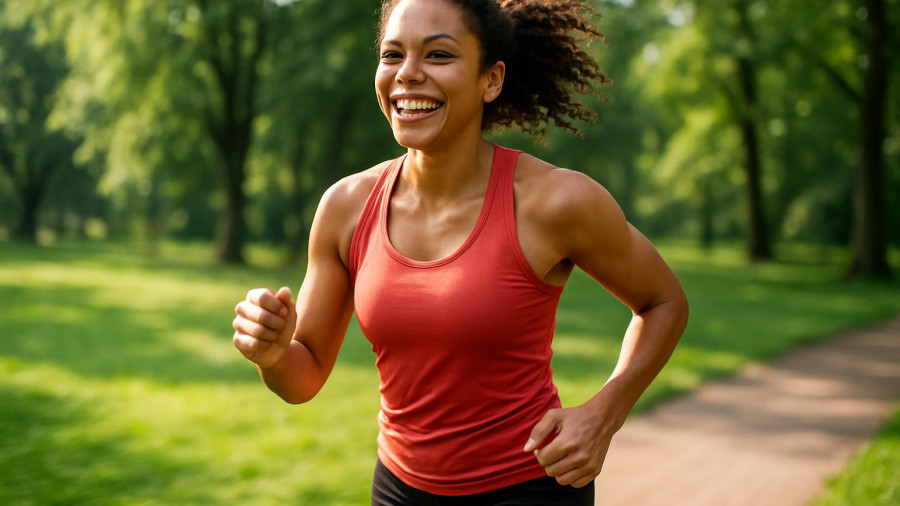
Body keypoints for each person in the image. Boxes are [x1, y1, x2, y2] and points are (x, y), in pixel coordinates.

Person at [232, 0, 689, 504]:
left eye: (438, 55)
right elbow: (303, 376)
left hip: (527, 487)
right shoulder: (346, 207)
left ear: (490, 80)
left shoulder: (555, 201)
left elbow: (663, 302)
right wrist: (273, 355)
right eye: (392, 54)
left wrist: (605, 413)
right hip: (399, 489)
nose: (408, 73)